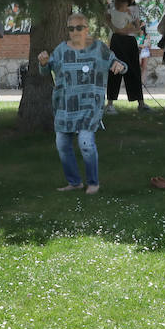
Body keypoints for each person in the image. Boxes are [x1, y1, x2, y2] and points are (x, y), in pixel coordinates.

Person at [38, 12, 126, 194]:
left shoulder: (99, 48)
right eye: (71, 28)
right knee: (62, 144)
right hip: (65, 105)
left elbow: (119, 63)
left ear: (87, 28)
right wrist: (44, 63)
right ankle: (75, 182)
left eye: (79, 27)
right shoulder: (61, 50)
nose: (75, 31)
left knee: (86, 143)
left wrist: (118, 66)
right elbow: (45, 71)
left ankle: (93, 182)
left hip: (89, 105)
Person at [105, 0, 148, 113]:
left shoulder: (134, 8)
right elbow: (107, 18)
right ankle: (110, 103)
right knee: (114, 68)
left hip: (130, 40)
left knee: (134, 69)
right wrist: (116, 29)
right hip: (117, 39)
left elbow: (136, 25)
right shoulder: (113, 6)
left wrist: (134, 28)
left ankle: (140, 102)